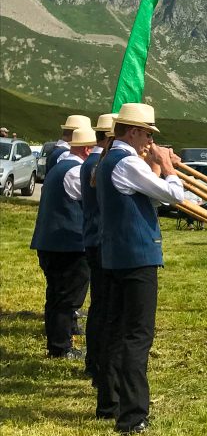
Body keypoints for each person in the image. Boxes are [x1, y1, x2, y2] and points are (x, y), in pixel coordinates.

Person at [95, 103, 184, 436]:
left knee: (117, 331)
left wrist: (156, 166)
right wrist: (166, 165)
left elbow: (151, 197)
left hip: (118, 255)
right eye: (147, 133)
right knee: (137, 335)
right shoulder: (128, 161)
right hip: (137, 258)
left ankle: (111, 404)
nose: (149, 139)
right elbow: (173, 196)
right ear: (132, 132)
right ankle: (132, 417)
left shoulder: (111, 160)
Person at [30, 125, 95, 359]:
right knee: (68, 298)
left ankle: (59, 344)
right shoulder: (75, 171)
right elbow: (91, 200)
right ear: (87, 149)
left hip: (52, 242)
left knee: (57, 296)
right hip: (68, 244)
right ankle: (61, 347)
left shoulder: (61, 167)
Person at [81, 114, 116, 379]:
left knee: (99, 306)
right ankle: (97, 363)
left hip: (94, 237)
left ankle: (94, 361)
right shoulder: (102, 163)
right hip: (101, 239)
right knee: (104, 307)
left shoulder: (94, 161)